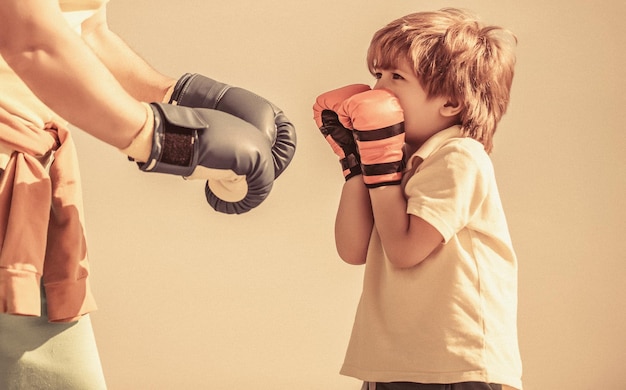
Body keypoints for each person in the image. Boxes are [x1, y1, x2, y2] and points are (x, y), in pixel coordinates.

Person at [0, 0, 295, 388]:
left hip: (28, 187)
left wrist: (179, 96)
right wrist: (168, 139)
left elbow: (85, 30)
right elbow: (32, 44)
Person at [313, 8, 522, 390]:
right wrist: (357, 165)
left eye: (397, 77)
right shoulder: (398, 164)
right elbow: (352, 248)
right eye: (377, 74)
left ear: (451, 102)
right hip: (392, 361)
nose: (377, 89)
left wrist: (380, 169)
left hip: (456, 364)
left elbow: (405, 250)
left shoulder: (460, 156)